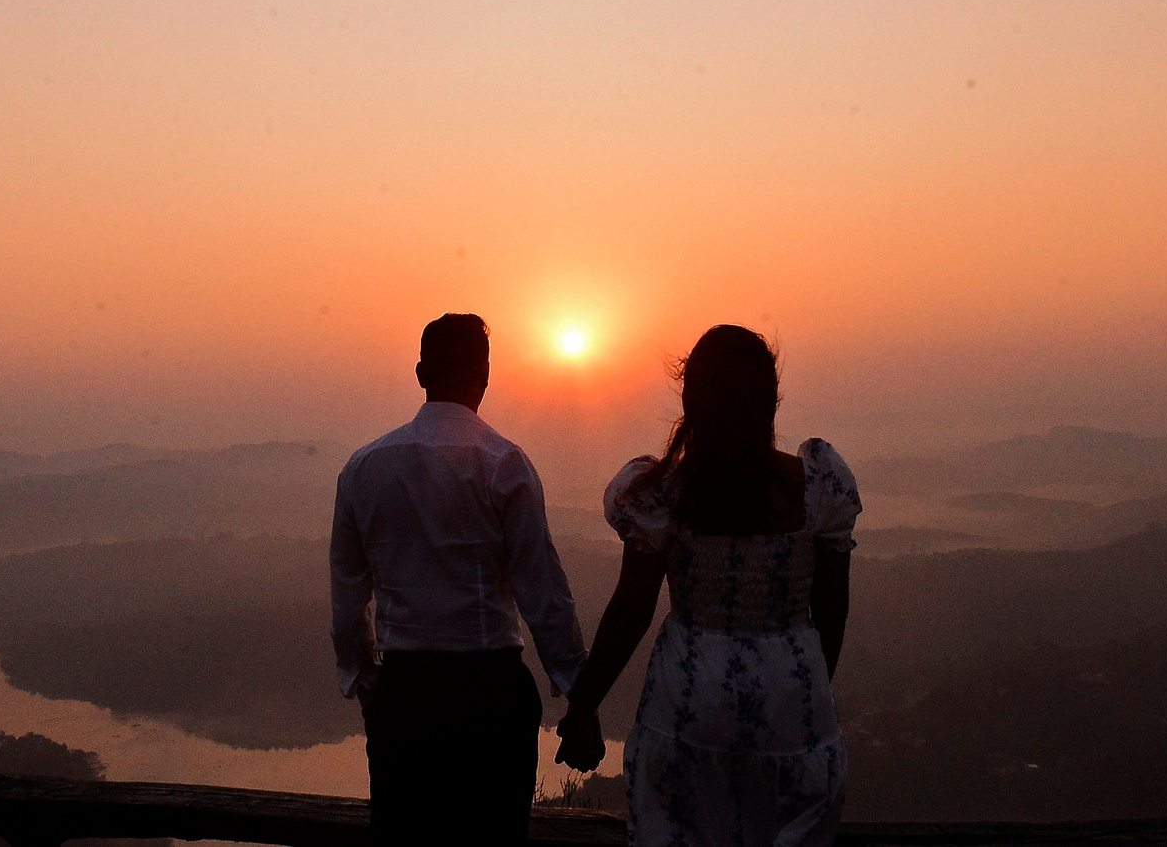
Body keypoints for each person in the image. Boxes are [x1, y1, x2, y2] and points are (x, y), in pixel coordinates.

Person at [556, 325, 860, 847]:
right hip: (792, 712)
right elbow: (831, 615)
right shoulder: (818, 488)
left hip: (688, 710)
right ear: (770, 400)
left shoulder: (662, 494)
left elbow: (631, 611)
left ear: (691, 400)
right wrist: (802, 686)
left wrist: (582, 707)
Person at [331, 313, 589, 847]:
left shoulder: (364, 468)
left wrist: (368, 686)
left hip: (404, 697)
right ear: (485, 376)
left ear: (421, 373)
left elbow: (348, 604)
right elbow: (544, 596)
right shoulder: (505, 464)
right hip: (492, 694)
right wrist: (579, 699)